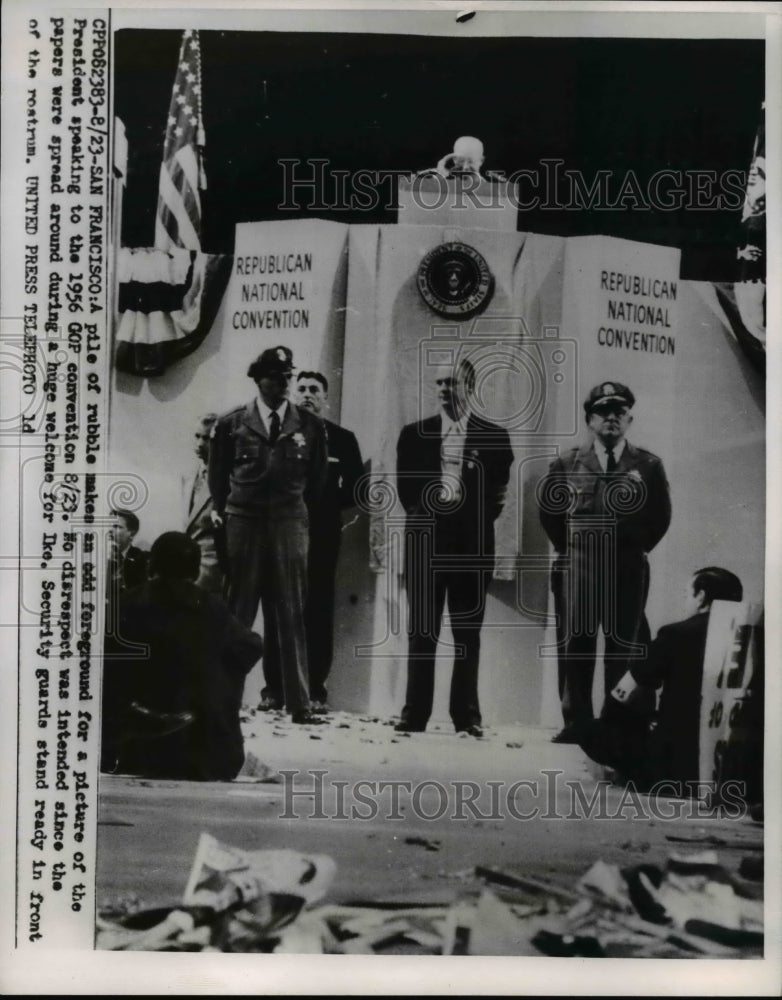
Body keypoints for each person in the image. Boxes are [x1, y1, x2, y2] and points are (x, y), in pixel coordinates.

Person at [538, 381, 671, 743]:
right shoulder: (567, 463)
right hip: (579, 566)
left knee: (622, 645)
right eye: (603, 412)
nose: (612, 418)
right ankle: (576, 722)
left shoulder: (647, 465)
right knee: (576, 642)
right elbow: (550, 515)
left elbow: (660, 517)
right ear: (589, 420)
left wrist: (634, 548)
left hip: (628, 569)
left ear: (629, 419)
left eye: (619, 412)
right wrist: (573, 550)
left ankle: (616, 721)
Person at [208, 346, 328, 725]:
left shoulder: (309, 425)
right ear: (257, 379)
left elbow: (318, 480)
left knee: (291, 611)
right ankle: (224, 698)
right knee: (238, 611)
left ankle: (299, 703)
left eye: (286, 377)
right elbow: (217, 477)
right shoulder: (231, 424)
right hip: (244, 523)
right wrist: (233, 511)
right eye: (275, 377)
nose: (283, 383)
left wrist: (292, 511)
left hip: (289, 524)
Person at [395, 358, 514, 736]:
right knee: (422, 630)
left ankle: (466, 716)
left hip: (471, 547)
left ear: (471, 387)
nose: (446, 389)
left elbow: (496, 498)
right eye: (440, 383)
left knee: (467, 633)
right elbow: (407, 494)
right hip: (426, 545)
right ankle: (414, 714)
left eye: (454, 383)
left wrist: (466, 520)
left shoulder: (495, 437)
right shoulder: (414, 434)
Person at [106, 532, 264, 781]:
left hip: (134, 749)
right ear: (196, 572)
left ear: (151, 565)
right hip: (203, 752)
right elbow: (251, 646)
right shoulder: (212, 608)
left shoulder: (125, 605)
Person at [579, 567, 743, 790]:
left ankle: (626, 773)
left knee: (590, 730)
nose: (684, 602)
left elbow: (624, 692)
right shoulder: (753, 639)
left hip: (676, 766)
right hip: (733, 764)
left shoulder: (676, 634)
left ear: (701, 597)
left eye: (686, 596)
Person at [296, 371, 364, 711]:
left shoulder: (342, 439)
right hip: (285, 533)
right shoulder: (280, 435)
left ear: (326, 398)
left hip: (323, 535)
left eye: (314, 390)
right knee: (282, 607)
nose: (307, 394)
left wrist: (327, 504)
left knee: (319, 609)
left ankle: (316, 689)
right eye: (302, 389)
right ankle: (276, 689)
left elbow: (356, 489)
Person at [183, 413, 224, 593]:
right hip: (186, 569)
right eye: (197, 436)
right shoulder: (188, 477)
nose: (199, 444)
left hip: (214, 573)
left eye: (206, 438)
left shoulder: (229, 480)